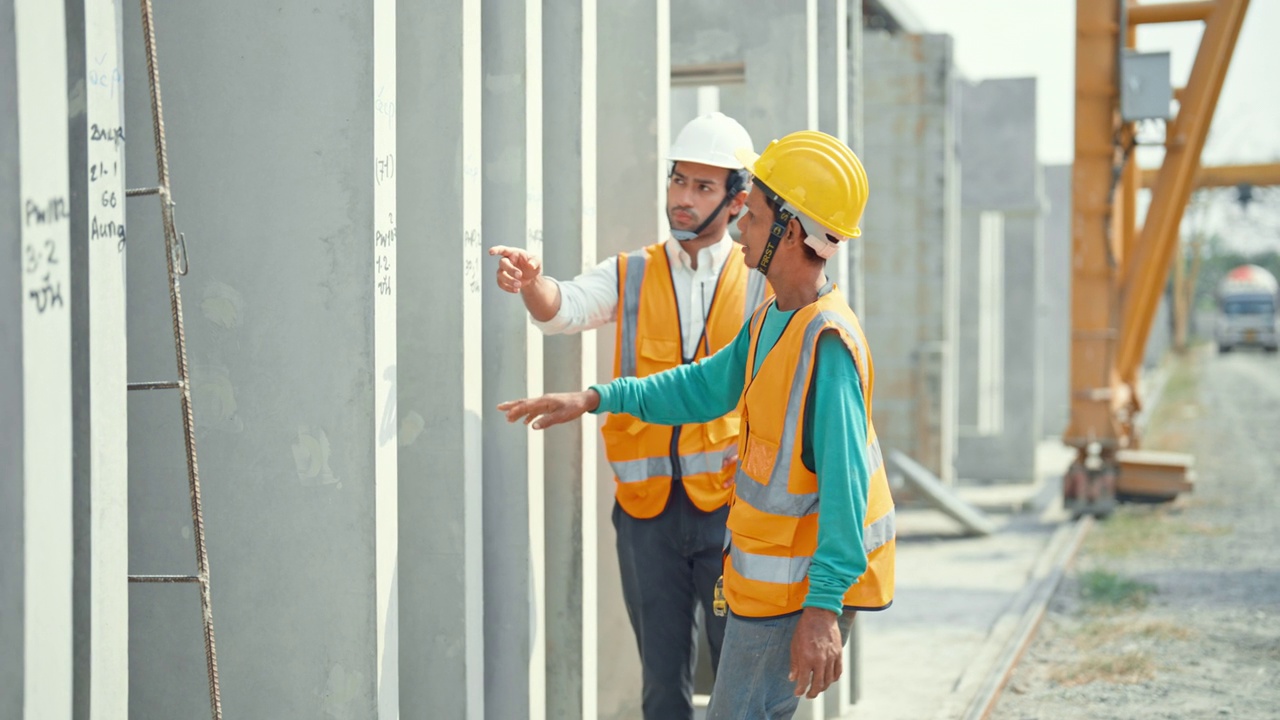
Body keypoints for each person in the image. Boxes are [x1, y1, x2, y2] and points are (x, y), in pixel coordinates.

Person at [497, 130, 895, 719]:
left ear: (788, 230)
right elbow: (703, 386)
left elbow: (847, 485)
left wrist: (822, 610)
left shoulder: (825, 341)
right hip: (768, 576)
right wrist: (594, 397)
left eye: (753, 217)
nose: (740, 229)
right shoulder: (772, 317)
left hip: (796, 588)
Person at [489, 112, 768, 720]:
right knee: (661, 687)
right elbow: (565, 308)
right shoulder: (632, 273)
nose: (682, 200)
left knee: (737, 679)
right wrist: (535, 285)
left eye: (701, 187)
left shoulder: (759, 283)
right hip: (646, 514)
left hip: (730, 509)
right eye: (677, 183)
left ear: (737, 198)